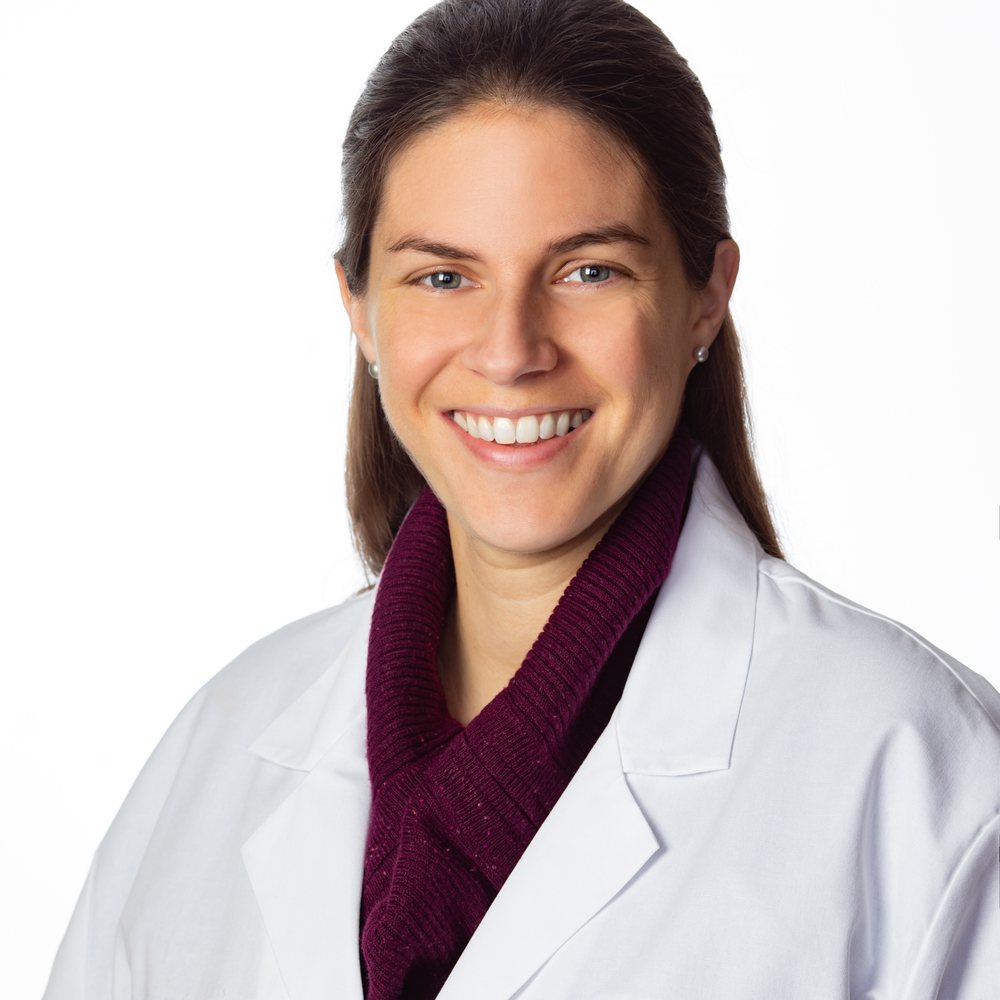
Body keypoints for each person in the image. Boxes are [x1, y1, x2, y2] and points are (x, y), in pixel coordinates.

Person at [44, 0, 1000, 997]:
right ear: (359, 309)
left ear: (704, 296)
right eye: (443, 276)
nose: (510, 352)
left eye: (588, 270)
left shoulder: (925, 783)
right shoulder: (214, 755)